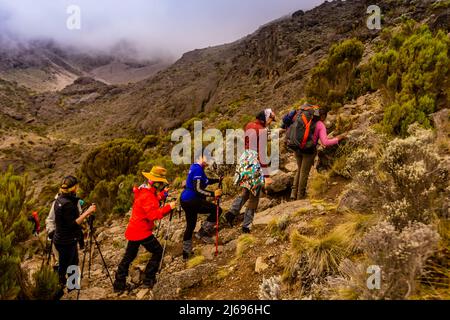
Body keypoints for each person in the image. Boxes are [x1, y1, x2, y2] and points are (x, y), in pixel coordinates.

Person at [113, 166, 176, 292]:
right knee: (158, 251)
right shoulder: (147, 196)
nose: (162, 186)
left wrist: (162, 195)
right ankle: (148, 279)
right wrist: (169, 207)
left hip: (134, 230)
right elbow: (153, 215)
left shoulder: (143, 191)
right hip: (142, 232)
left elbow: (151, 202)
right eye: (161, 184)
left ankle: (119, 284)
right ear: (156, 183)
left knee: (129, 257)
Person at [225, 108, 275, 233]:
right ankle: (246, 226)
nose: (271, 122)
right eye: (270, 119)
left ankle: (231, 214)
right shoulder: (262, 130)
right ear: (265, 117)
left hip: (245, 160)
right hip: (254, 163)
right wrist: (267, 175)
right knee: (254, 195)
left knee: (246, 191)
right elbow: (262, 154)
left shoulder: (249, 125)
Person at [283, 106, 347, 200]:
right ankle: (300, 196)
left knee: (299, 169)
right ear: (323, 116)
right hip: (308, 151)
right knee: (304, 173)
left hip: (296, 147)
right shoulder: (320, 124)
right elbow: (325, 142)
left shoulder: (304, 120)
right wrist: (338, 138)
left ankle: (293, 194)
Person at [53, 176, 96, 291]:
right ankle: (63, 287)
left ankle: (72, 286)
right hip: (67, 241)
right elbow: (73, 224)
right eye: (77, 186)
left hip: (61, 239)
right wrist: (88, 212)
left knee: (71, 262)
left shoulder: (59, 199)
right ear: (73, 188)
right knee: (67, 264)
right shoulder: (68, 204)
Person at [180, 153, 223, 260]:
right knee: (217, 210)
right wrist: (213, 194)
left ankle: (186, 254)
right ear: (200, 157)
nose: (208, 161)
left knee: (190, 226)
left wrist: (218, 180)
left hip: (185, 200)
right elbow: (198, 189)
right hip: (192, 200)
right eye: (206, 158)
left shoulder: (196, 167)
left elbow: (206, 180)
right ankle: (202, 233)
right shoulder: (198, 170)